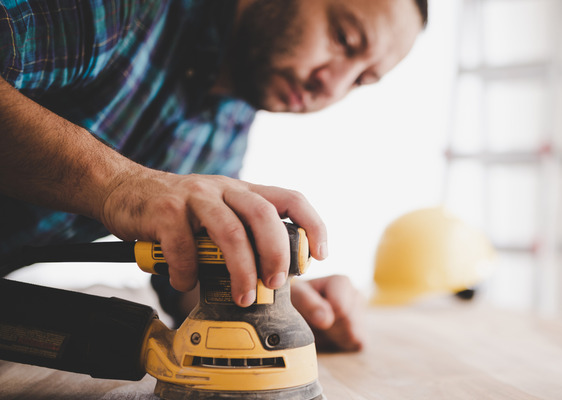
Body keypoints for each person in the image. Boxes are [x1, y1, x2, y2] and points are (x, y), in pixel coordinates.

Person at [0, 0, 428, 351]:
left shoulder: (232, 120)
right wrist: (119, 184)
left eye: (361, 81)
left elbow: (181, 275)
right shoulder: (127, 11)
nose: (332, 87)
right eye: (344, 39)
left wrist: (263, 298)